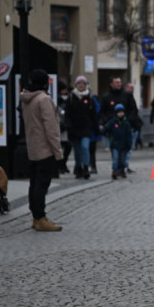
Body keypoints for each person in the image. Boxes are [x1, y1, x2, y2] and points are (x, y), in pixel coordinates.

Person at [21, 69, 64, 231]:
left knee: (34, 184)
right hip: (45, 149)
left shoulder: (26, 98)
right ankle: (40, 218)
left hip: (33, 147)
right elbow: (51, 129)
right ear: (45, 83)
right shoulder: (43, 99)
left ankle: (35, 217)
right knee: (42, 185)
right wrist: (58, 153)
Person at [65, 75, 98, 179]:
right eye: (79, 83)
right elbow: (67, 114)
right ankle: (78, 167)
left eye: (83, 83)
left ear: (86, 85)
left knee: (85, 147)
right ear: (76, 85)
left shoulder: (90, 98)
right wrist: (68, 125)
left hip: (85, 127)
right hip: (74, 128)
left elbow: (93, 115)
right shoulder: (71, 97)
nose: (81, 85)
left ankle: (85, 168)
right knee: (77, 151)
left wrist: (96, 128)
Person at [103, 104, 133, 179]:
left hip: (124, 145)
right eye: (119, 112)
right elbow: (105, 129)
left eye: (122, 112)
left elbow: (129, 135)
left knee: (122, 160)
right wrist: (105, 133)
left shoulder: (126, 123)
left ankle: (122, 170)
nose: (120, 113)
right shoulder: (113, 122)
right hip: (115, 144)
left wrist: (129, 144)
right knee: (115, 159)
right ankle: (115, 171)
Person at [125, 82, 144, 151]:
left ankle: (136, 144)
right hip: (130, 120)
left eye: (132, 88)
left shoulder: (131, 96)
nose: (132, 89)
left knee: (136, 132)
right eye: (131, 87)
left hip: (134, 121)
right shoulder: (126, 96)